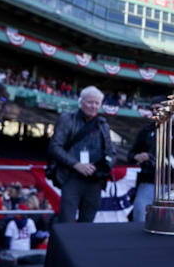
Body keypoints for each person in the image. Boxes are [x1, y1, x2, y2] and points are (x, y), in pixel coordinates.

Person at [48, 86, 116, 223]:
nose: (93, 106)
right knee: (66, 222)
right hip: (71, 177)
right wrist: (76, 164)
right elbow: (54, 146)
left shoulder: (103, 125)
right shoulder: (67, 119)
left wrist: (103, 167)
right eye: (90, 102)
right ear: (81, 102)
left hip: (95, 181)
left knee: (87, 225)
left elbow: (111, 153)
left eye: (97, 103)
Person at [127, 96, 165, 222]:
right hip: (148, 180)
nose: (154, 112)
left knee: (164, 220)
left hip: (169, 183)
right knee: (140, 214)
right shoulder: (145, 131)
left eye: (158, 108)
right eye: (152, 109)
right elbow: (130, 155)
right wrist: (137, 157)